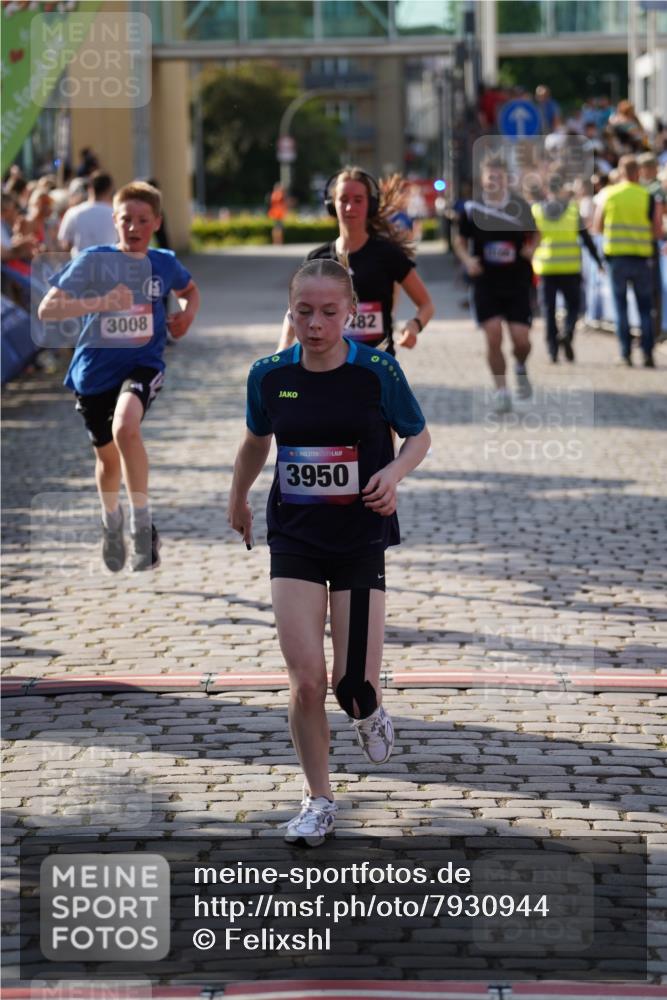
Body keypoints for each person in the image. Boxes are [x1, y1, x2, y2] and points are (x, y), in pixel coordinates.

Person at [228, 258, 430, 846]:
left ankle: (368, 711)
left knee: (352, 686)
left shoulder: (377, 371)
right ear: (290, 312)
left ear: (351, 313)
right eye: (304, 312)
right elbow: (255, 441)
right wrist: (238, 497)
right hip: (294, 535)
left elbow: (418, 436)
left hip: (359, 536)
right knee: (307, 680)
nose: (315, 324)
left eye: (328, 312)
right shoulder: (268, 375)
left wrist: (392, 474)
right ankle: (318, 799)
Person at [37, 181, 200, 570]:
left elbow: (189, 290)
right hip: (93, 374)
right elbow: (47, 309)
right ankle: (111, 522)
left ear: (156, 222)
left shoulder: (163, 262)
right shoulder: (94, 261)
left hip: (143, 364)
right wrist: (100, 302)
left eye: (143, 219)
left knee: (126, 428)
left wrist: (187, 315)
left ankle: (142, 526)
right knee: (108, 462)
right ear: (114, 221)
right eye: (126, 219)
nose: (134, 227)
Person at [277, 166, 433, 355]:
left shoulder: (388, 254)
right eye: (343, 199)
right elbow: (294, 310)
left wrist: (414, 326)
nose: (350, 207)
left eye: (358, 200)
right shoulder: (316, 259)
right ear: (332, 204)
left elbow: (426, 304)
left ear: (370, 205)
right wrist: (283, 346)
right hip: (324, 365)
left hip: (375, 364)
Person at [453, 154, 539, 412]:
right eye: (490, 176)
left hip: (517, 281)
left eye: (499, 176)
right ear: (483, 179)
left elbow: (536, 234)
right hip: (486, 282)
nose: (494, 180)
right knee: (493, 336)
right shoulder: (472, 209)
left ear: (506, 179)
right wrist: (467, 260)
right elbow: (459, 240)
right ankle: (501, 391)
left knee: (521, 340)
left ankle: (521, 365)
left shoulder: (519, 206)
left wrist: (531, 249)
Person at [593, 155, 661, 367]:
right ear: (638, 172)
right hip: (642, 259)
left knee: (620, 307)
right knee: (645, 308)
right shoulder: (647, 195)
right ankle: (648, 354)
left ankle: (625, 354)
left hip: (617, 259)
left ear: (621, 172)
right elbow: (657, 230)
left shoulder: (609, 194)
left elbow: (597, 226)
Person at [531, 174, 604, 362]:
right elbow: (586, 239)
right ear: (562, 189)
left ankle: (552, 350)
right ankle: (567, 333)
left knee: (548, 310)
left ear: (548, 190)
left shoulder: (537, 210)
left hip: (546, 267)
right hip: (570, 268)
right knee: (574, 306)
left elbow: (530, 239)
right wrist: (598, 261)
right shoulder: (572, 209)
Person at [58, 171, 117, 257]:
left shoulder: (73, 212)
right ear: (110, 189)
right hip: (108, 263)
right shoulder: (116, 215)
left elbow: (64, 244)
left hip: (80, 262)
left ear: (90, 188)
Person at [267, 182, 287, 246]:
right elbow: (281, 202)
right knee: (278, 228)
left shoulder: (273, 194)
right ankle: (279, 241)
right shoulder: (278, 194)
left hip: (275, 213)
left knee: (276, 228)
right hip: (278, 213)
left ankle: (276, 241)